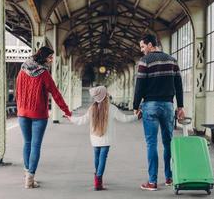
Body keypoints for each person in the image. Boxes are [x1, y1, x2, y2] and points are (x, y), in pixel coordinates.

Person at [133, 34, 185, 191]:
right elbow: (178, 85)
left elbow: (139, 85)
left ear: (150, 45)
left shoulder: (145, 61)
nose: (142, 50)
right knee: (168, 142)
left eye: (142, 47)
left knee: (151, 144)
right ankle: (169, 178)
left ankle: (152, 182)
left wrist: (136, 106)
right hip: (168, 105)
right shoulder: (172, 60)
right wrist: (180, 106)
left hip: (150, 105)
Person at [16, 46, 71, 189]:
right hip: (39, 115)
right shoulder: (44, 73)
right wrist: (66, 111)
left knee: (27, 143)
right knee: (35, 145)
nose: (52, 60)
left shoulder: (22, 69)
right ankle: (30, 178)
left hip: (22, 114)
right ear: (44, 57)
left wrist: (20, 108)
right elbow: (55, 93)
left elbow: (18, 91)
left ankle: (27, 174)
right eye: (50, 57)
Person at [66, 86, 140, 191]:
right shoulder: (112, 108)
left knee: (97, 157)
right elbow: (124, 119)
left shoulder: (92, 108)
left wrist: (71, 118)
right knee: (102, 158)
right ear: (105, 96)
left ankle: (97, 178)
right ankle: (98, 180)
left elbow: (82, 120)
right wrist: (136, 117)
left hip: (95, 138)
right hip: (106, 138)